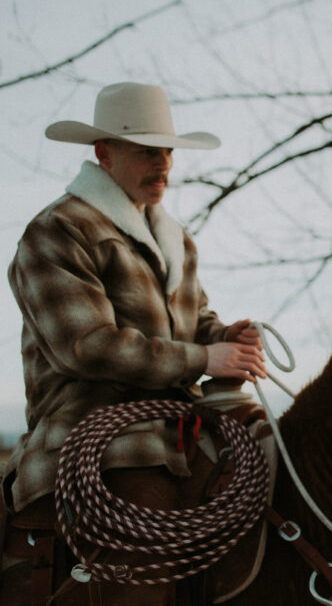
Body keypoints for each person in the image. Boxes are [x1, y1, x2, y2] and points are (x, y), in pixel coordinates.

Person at [1, 82, 267, 604]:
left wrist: (224, 336)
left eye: (166, 151)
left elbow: (195, 319)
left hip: (180, 421)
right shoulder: (56, 231)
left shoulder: (175, 238)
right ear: (104, 153)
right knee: (144, 529)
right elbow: (87, 346)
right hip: (93, 431)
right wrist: (204, 357)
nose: (163, 164)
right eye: (147, 151)